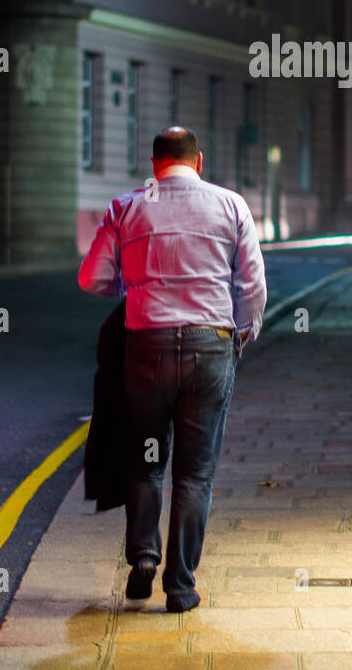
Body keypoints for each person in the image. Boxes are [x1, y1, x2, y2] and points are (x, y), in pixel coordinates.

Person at [78, 126, 267, 611]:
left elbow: (92, 277)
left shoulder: (127, 206)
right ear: (198, 162)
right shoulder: (231, 205)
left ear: (154, 164)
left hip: (146, 349)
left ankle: (143, 554)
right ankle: (180, 585)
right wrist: (242, 331)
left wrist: (133, 286)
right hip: (210, 349)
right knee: (195, 472)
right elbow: (252, 284)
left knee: (145, 460)